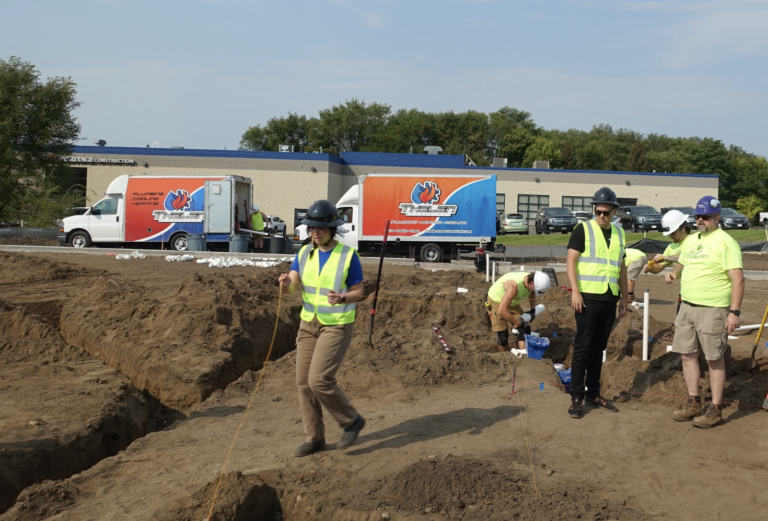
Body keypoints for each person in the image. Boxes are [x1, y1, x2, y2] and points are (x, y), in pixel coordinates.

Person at [278, 199, 366, 456]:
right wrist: (286, 284)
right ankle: (315, 438)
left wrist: (343, 298)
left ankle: (351, 421)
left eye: (321, 228)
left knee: (318, 380)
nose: (315, 232)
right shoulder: (304, 252)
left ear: (333, 229)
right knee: (303, 383)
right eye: (312, 228)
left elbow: (359, 292)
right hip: (308, 323)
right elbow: (293, 285)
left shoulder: (348, 255)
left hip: (336, 325)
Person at [666, 196, 744, 428]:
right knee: (687, 354)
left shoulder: (726, 242)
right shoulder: (691, 240)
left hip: (713, 309)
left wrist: (734, 312)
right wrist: (674, 272)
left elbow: (738, 279)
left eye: (706, 217)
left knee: (714, 359)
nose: (701, 220)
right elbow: (683, 261)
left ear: (717, 218)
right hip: (687, 307)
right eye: (698, 216)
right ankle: (694, 402)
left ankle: (715, 409)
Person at [566, 187, 628, 418]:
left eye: (606, 212)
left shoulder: (620, 234)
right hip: (587, 298)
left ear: (614, 211)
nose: (601, 215)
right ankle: (576, 397)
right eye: (598, 211)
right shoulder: (583, 229)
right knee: (582, 347)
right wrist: (575, 292)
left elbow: (622, 267)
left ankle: (593, 393)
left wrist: (624, 296)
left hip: (609, 298)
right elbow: (571, 261)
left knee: (598, 348)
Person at [485, 271, 551, 352]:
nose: (533, 291)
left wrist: (533, 310)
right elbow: (501, 311)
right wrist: (518, 323)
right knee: (503, 335)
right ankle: (505, 356)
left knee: (524, 328)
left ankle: (523, 353)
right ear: (531, 283)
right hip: (496, 300)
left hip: (511, 300)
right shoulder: (514, 286)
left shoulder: (531, 280)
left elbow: (532, 292)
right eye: (535, 289)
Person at [643, 209, 693, 313]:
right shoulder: (671, 247)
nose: (670, 235)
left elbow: (687, 257)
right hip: (685, 291)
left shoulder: (694, 241)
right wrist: (650, 266)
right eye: (669, 233)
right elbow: (659, 268)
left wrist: (666, 257)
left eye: (673, 232)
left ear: (683, 227)